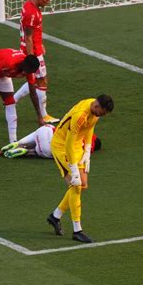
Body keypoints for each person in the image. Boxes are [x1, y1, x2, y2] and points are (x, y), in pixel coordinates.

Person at [46, 94, 114, 243]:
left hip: (76, 146)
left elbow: (90, 128)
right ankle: (77, 230)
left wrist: (87, 151)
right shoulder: (80, 116)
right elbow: (68, 144)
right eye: (102, 113)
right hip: (62, 147)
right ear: (97, 106)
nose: (102, 116)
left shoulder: (94, 110)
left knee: (82, 184)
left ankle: (55, 216)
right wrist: (74, 169)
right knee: (76, 186)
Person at [0, 48, 44, 157]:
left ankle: (13, 142)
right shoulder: (10, 62)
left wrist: (39, 116)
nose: (29, 74)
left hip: (2, 73)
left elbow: (33, 93)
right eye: (29, 71)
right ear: (25, 66)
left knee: (11, 104)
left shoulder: (27, 68)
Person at [14, 0, 59, 124]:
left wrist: (40, 43)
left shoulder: (29, 5)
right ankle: (43, 115)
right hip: (32, 51)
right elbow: (28, 37)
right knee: (42, 81)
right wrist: (32, 57)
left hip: (35, 47)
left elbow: (33, 33)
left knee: (35, 80)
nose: (48, 2)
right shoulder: (32, 14)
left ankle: (12, 101)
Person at [1, 125, 102, 159]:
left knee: (46, 129)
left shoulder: (82, 131)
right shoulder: (84, 150)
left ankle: (18, 143)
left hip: (46, 132)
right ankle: (27, 151)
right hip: (47, 149)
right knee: (54, 154)